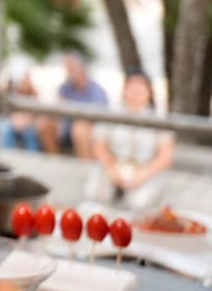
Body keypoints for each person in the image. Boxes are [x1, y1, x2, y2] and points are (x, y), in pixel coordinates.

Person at [87, 68, 176, 209]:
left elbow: (166, 156)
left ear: (149, 92)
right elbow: (99, 145)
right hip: (115, 166)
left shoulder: (159, 119)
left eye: (141, 88)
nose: (136, 92)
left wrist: (143, 175)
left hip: (145, 169)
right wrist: (113, 169)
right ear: (124, 89)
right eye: (132, 87)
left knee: (139, 202)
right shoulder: (112, 114)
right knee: (95, 193)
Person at [56, 53, 108, 158]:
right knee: (46, 124)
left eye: (71, 68)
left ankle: (85, 164)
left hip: (89, 126)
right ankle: (55, 160)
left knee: (79, 128)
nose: (69, 71)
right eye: (67, 68)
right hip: (68, 124)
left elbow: (98, 115)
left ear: (82, 70)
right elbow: (59, 107)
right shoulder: (65, 88)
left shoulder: (96, 90)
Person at [0, 66, 45, 152]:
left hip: (28, 123)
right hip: (13, 122)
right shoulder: (10, 93)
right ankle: (7, 154)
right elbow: (7, 113)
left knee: (31, 133)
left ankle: (33, 156)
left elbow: (35, 113)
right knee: (6, 129)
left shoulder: (33, 93)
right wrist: (16, 121)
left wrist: (25, 122)